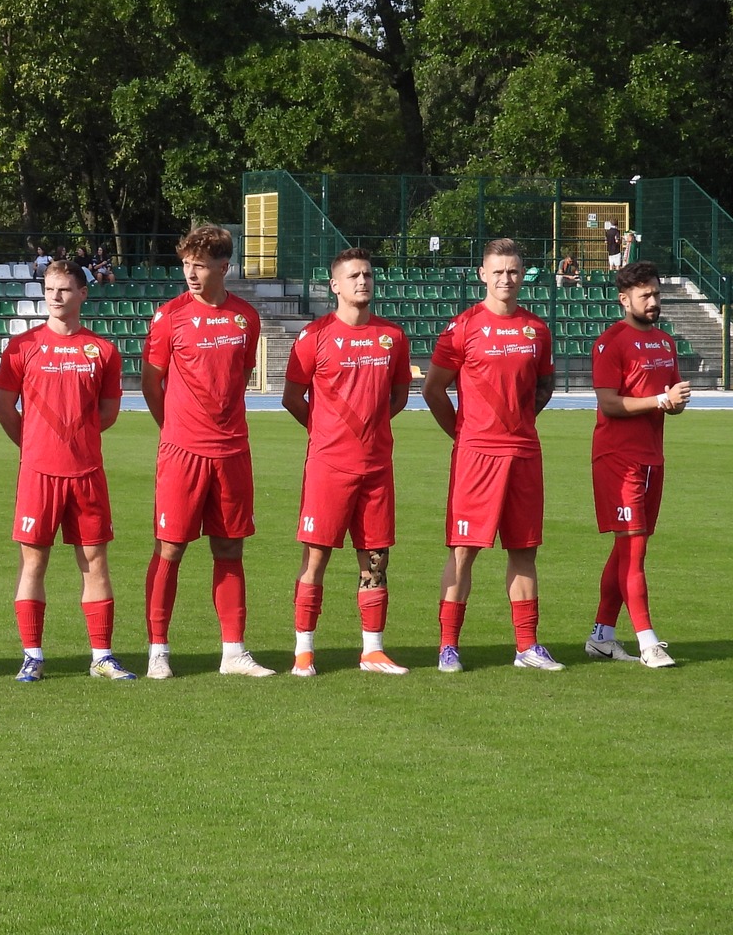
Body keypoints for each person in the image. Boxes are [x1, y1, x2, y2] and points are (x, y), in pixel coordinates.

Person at [139, 224, 272, 679]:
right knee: (171, 547)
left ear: (223, 267)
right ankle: (158, 650)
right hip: (183, 453)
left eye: (199, 265)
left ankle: (233, 652)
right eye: (185, 264)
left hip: (232, 451)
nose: (191, 273)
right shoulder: (169, 316)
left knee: (230, 547)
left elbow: (239, 376)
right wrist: (175, 429)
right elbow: (151, 383)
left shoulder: (246, 318)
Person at [423, 237, 561, 672]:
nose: (506, 278)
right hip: (476, 456)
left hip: (523, 453)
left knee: (524, 550)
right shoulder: (463, 327)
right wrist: (463, 433)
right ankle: (448, 647)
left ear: (523, 275)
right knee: (463, 550)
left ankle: (527, 647)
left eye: (513, 271)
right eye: (498, 271)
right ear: (482, 274)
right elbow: (433, 389)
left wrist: (519, 422)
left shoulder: (536, 329)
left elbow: (544, 386)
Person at [0, 258, 133, 682]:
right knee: (33, 563)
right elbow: (4, 409)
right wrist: (36, 447)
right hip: (38, 474)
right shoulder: (22, 347)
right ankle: (32, 655)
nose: (55, 296)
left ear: (82, 294)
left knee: (95, 561)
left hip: (86, 472)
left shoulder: (102, 350)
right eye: (50, 289)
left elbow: (108, 412)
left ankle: (102, 656)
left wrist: (77, 441)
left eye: (65, 289)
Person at [282, 248, 412, 678]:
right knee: (316, 556)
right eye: (354, 275)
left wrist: (370, 432)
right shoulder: (314, 336)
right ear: (334, 285)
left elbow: (399, 396)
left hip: (376, 467)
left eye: (368, 274)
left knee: (375, 558)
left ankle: (372, 650)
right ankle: (303, 651)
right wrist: (325, 432)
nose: (363, 281)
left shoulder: (392, 336)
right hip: (329, 466)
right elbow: (292, 397)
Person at [586, 262, 690, 668]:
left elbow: (672, 401)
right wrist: (660, 401)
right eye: (645, 295)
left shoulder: (665, 342)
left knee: (626, 549)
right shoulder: (610, 342)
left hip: (651, 458)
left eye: (656, 294)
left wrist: (674, 403)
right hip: (618, 458)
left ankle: (601, 637)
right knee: (634, 549)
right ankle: (648, 642)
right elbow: (609, 403)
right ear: (624, 299)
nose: (653, 301)